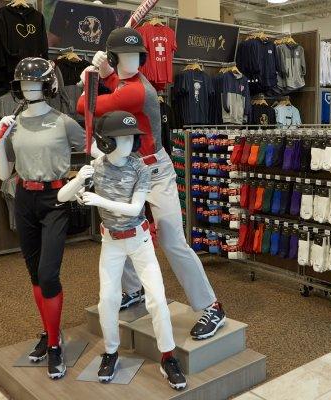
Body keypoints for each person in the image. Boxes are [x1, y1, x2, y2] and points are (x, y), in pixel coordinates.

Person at [76, 27, 227, 340]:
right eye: (125, 55)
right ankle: (134, 291)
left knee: (172, 241)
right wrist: (104, 75)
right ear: (116, 57)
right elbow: (117, 85)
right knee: (121, 231)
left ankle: (212, 306)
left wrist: (89, 81)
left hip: (155, 172)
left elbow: (85, 107)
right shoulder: (127, 82)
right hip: (127, 169)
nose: (131, 61)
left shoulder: (138, 90)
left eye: (136, 55)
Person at [58, 111, 187, 390]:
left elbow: (135, 208)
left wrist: (97, 199)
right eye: (121, 139)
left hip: (139, 239)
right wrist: (80, 178)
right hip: (111, 242)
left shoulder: (139, 167)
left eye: (131, 138)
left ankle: (168, 356)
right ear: (105, 142)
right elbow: (61, 196)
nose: (128, 144)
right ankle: (111, 352)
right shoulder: (97, 167)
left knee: (157, 299)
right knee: (108, 299)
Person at [0, 57, 85, 380]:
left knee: (49, 274)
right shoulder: (12, 123)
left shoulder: (64, 122)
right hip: (24, 197)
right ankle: (50, 333)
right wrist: (0, 136)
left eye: (34, 82)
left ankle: (57, 347)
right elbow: (5, 172)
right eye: (22, 83)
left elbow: (94, 151)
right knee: (34, 274)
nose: (28, 87)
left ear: (48, 85)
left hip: (55, 200)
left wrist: (81, 180)